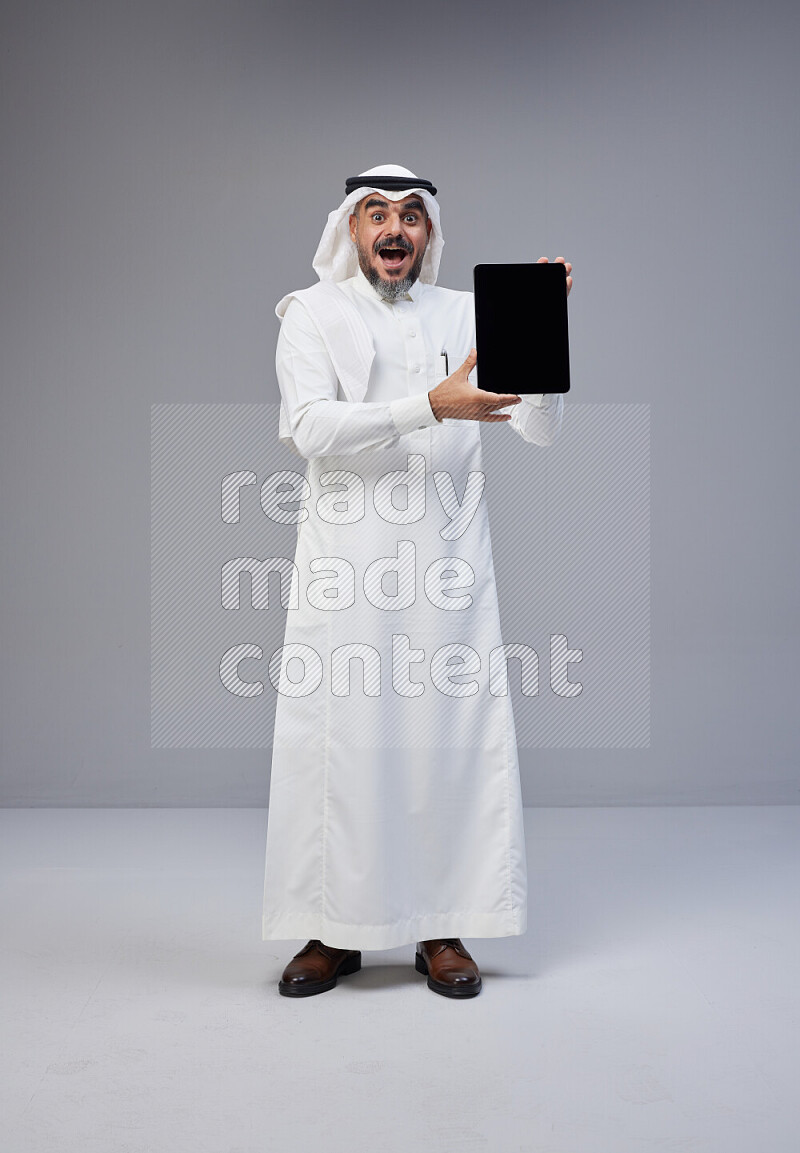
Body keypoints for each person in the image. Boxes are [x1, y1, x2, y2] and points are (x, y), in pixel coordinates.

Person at [262, 164, 571, 998]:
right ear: (350, 229)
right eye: (375, 214)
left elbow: (537, 427)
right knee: (343, 748)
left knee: (445, 746)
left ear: (430, 233)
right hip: (348, 573)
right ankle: (331, 929)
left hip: (447, 572)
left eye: (410, 216)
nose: (394, 230)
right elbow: (308, 427)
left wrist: (545, 335)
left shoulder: (466, 314)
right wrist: (427, 406)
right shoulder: (311, 313)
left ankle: (442, 926)